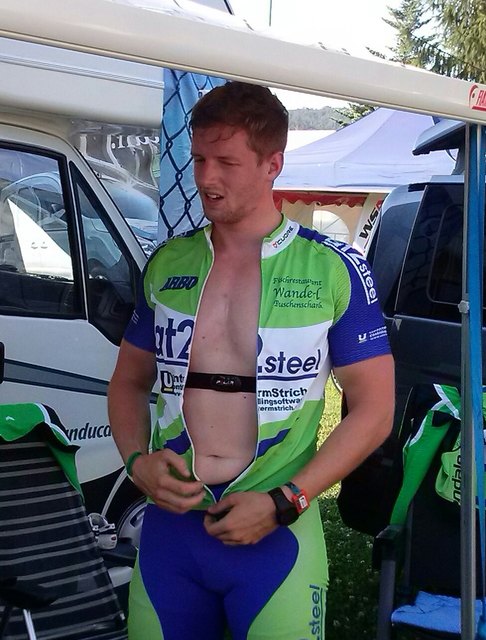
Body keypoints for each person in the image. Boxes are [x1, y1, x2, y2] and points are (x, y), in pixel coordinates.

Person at [108, 81, 395, 640]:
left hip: (276, 532)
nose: (206, 178)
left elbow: (375, 410)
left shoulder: (333, 268)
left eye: (227, 162)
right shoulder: (168, 262)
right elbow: (128, 382)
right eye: (199, 159)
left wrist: (288, 501)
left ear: (272, 164)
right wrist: (136, 461)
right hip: (172, 534)